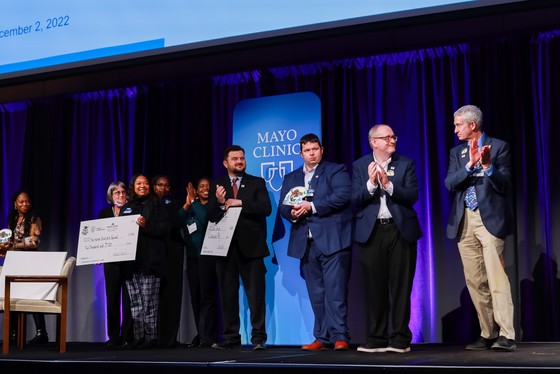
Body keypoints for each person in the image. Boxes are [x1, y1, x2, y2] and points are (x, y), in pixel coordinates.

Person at [445, 105, 515, 351]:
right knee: (475, 281)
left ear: (472, 125)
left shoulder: (499, 147)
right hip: (465, 220)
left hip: (490, 220)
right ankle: (487, 333)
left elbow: (505, 184)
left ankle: (507, 335)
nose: (455, 130)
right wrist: (469, 166)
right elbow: (449, 183)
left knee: (496, 278)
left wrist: (487, 166)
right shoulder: (457, 152)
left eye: (458, 125)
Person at [278, 133, 353, 351]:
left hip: (332, 241)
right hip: (306, 244)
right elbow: (283, 206)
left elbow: (342, 195)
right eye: (307, 150)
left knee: (335, 292)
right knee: (316, 293)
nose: (312, 153)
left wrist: (311, 206)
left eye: (315, 149)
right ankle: (322, 337)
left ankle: (340, 336)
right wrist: (292, 212)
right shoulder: (291, 178)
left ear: (322, 150)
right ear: (300, 153)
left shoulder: (334, 170)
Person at [352, 124, 422, 353]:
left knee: (401, 287)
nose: (392, 140)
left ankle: (400, 339)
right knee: (375, 288)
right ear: (374, 142)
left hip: (399, 230)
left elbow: (412, 195)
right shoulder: (360, 166)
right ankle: (377, 339)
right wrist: (372, 184)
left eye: (394, 136)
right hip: (371, 232)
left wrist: (389, 185)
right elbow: (354, 199)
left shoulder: (405, 163)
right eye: (387, 137)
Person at [207, 145, 272, 351]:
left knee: (256, 297)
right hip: (225, 249)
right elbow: (210, 216)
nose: (239, 161)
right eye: (235, 159)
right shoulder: (217, 185)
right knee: (227, 296)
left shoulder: (257, 182)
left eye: (242, 158)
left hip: (251, 249)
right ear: (225, 163)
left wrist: (239, 202)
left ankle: (258, 338)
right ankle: (230, 338)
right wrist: (218, 203)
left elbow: (266, 208)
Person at [119, 173, 171, 349]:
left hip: (151, 261)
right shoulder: (127, 206)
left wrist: (146, 226)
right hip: (131, 262)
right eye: (139, 183)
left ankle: (151, 337)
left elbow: (165, 228)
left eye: (146, 183)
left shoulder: (157, 205)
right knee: (135, 303)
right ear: (133, 186)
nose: (143, 186)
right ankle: (138, 337)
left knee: (149, 302)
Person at [0, 190, 49, 344]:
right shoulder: (13, 219)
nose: (24, 204)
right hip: (15, 261)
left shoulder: (34, 219)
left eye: (27, 201)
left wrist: (13, 245)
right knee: (13, 296)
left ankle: (42, 333)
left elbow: (34, 242)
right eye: (21, 202)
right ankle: (13, 333)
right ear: (15, 204)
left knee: (33, 296)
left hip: (30, 261)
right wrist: (4, 248)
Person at [179, 177, 220, 348]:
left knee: (206, 297)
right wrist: (187, 204)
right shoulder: (191, 207)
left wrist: (194, 200)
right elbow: (177, 221)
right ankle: (201, 333)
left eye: (207, 186)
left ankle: (208, 335)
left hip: (208, 258)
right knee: (195, 297)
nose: (204, 188)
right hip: (192, 258)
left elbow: (204, 219)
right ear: (195, 189)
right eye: (201, 186)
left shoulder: (211, 206)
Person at [96, 181, 133, 348]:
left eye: (123, 192)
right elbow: (98, 236)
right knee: (112, 299)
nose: (120, 195)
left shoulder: (132, 211)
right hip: (111, 263)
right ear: (111, 196)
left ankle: (127, 336)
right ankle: (113, 336)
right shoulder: (104, 213)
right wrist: (95, 253)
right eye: (116, 193)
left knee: (128, 299)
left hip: (129, 262)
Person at [151, 175, 184, 348]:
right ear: (154, 187)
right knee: (152, 298)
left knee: (172, 296)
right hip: (155, 255)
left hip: (173, 253)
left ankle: (170, 338)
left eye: (166, 185)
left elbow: (177, 223)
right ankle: (151, 337)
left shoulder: (176, 204)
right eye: (159, 185)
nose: (163, 188)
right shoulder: (149, 204)